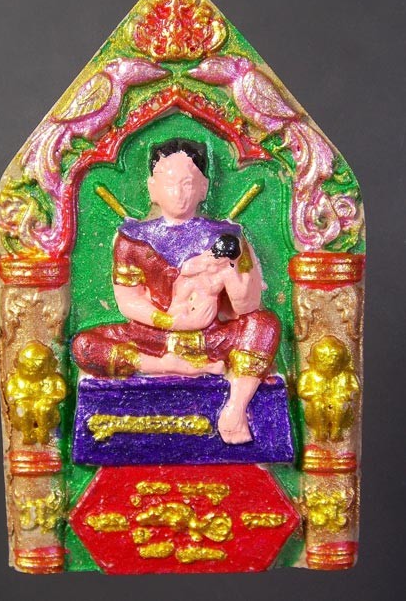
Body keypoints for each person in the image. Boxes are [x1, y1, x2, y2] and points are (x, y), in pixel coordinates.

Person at [72, 139, 280, 444]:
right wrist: (172, 321)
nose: (179, 193)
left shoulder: (225, 237)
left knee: (265, 325)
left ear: (204, 188)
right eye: (169, 183)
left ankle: (235, 408)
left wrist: (231, 268)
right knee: (84, 346)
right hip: (153, 336)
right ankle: (164, 366)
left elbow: (246, 307)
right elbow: (128, 301)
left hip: (210, 337)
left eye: (188, 183)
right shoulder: (133, 240)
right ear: (152, 188)